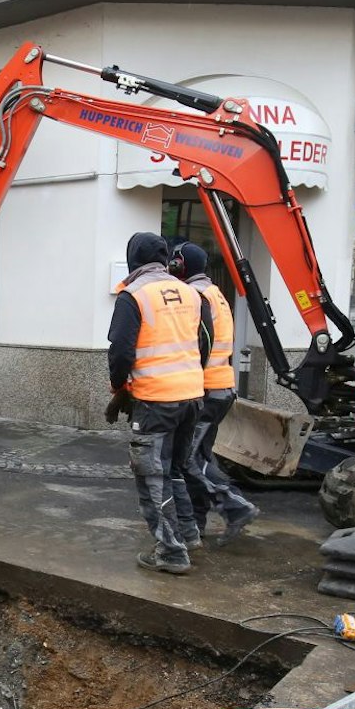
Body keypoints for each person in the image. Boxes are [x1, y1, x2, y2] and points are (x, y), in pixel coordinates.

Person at [109, 233, 210, 574]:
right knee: (176, 470)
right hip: (192, 396)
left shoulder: (133, 295)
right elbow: (204, 342)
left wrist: (120, 388)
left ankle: (170, 552)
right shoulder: (192, 293)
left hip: (155, 400)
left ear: (132, 259)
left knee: (153, 477)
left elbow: (121, 351)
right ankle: (189, 534)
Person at [171, 242, 260, 545]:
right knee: (200, 458)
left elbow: (201, 343)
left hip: (206, 390)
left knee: (185, 459)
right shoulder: (216, 292)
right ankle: (196, 523)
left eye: (176, 262)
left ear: (181, 266)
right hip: (221, 386)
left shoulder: (197, 296)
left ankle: (234, 507)